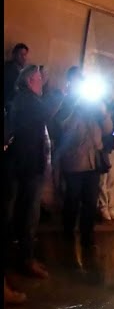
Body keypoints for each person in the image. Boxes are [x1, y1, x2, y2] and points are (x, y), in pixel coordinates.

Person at [4, 66, 56, 280]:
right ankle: (25, 261)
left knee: (23, 215)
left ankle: (23, 259)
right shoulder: (29, 102)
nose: (42, 82)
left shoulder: (24, 100)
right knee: (28, 216)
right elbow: (47, 112)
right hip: (28, 167)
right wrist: (61, 94)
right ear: (30, 81)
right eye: (39, 79)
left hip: (25, 166)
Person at [53, 71, 111, 252]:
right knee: (72, 198)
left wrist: (102, 113)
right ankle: (68, 232)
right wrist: (76, 110)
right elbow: (64, 128)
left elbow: (108, 129)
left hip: (93, 162)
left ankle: (87, 236)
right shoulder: (68, 103)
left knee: (90, 201)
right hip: (74, 161)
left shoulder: (95, 105)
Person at [96, 99, 114, 222]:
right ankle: (103, 208)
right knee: (102, 181)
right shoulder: (96, 107)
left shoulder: (113, 108)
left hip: (110, 147)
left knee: (111, 180)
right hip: (101, 149)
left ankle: (111, 209)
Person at [4, 43, 29, 109]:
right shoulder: (8, 68)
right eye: (21, 54)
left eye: (25, 55)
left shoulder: (24, 70)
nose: (23, 57)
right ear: (14, 55)